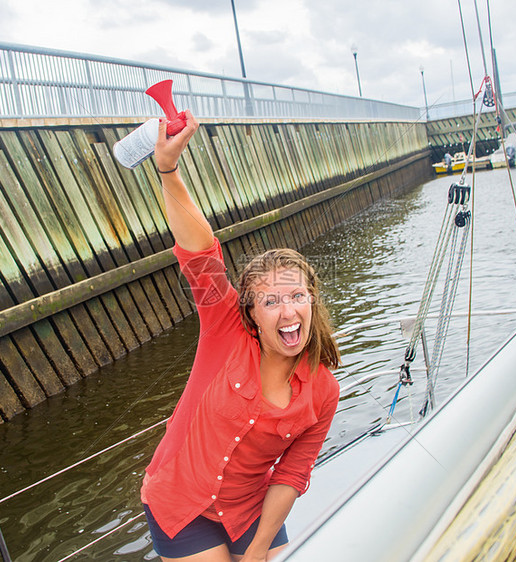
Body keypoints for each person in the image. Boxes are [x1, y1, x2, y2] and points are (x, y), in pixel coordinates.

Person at [141, 111, 341, 562]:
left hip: (250, 509)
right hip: (181, 501)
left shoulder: (324, 391)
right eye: (271, 302)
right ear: (250, 313)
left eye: (296, 297)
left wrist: (255, 554)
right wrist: (168, 170)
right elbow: (200, 252)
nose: (287, 311)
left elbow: (291, 474)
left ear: (311, 301)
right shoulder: (224, 326)